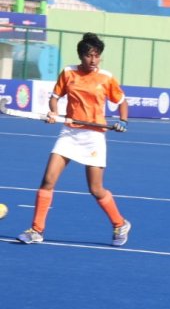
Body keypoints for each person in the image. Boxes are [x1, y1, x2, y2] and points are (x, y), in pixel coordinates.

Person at [17, 32, 131, 246]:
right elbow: (55, 98)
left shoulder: (106, 77)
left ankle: (119, 224)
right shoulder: (68, 73)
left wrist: (123, 120)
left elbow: (122, 102)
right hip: (70, 132)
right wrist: (53, 113)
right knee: (48, 180)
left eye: (97, 55)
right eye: (89, 55)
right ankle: (36, 230)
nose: (93, 60)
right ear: (81, 55)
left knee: (96, 189)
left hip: (94, 136)